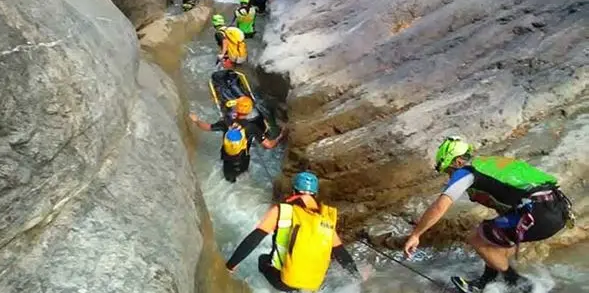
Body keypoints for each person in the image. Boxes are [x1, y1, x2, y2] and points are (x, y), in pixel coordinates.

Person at [403, 136, 573, 293]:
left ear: (458, 161)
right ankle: (486, 282)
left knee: (476, 237)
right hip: (557, 210)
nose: (449, 176)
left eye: (448, 170)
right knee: (492, 237)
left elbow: (440, 206)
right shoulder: (489, 164)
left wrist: (416, 234)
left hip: (539, 213)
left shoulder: (467, 172)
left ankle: (519, 285)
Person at [225, 171, 368, 291]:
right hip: (314, 284)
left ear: (294, 190)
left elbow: (253, 239)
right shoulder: (325, 219)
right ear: (315, 194)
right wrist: (358, 277)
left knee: (262, 260)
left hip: (284, 281)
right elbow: (341, 254)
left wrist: (230, 265)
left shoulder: (282, 210)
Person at [188, 96, 285, 182]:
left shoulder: (226, 122)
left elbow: (207, 127)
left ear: (236, 109)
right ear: (249, 111)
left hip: (228, 160)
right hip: (243, 160)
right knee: (243, 178)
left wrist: (196, 121)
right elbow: (268, 145)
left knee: (229, 180)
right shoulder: (252, 127)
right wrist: (280, 137)